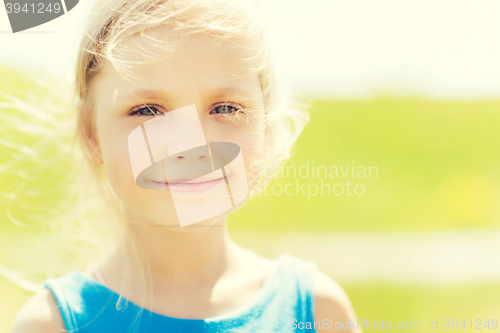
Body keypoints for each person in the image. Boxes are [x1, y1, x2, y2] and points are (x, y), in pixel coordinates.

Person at [11, 0, 360, 331]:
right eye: (148, 110)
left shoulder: (317, 311)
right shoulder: (51, 324)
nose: (192, 146)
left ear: (266, 126)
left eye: (225, 108)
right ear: (92, 134)